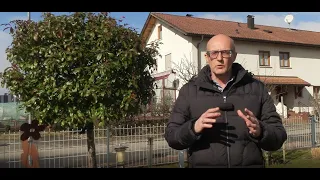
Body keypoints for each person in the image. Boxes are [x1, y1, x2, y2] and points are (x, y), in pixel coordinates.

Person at [164, 34, 287, 168]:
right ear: (207, 57)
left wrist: (261, 131)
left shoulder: (257, 89)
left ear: (234, 56)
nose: (220, 58)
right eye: (214, 53)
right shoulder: (188, 91)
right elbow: (172, 137)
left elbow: (279, 136)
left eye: (225, 53)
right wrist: (194, 128)